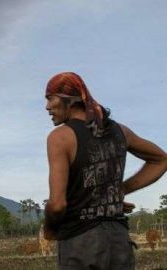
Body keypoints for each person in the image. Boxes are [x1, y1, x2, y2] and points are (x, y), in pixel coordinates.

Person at [42, 72, 167, 269]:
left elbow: (57, 204)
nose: (47, 107)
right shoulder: (120, 131)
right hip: (119, 240)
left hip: (81, 241)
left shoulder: (60, 137)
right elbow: (161, 159)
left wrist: (49, 227)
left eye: (50, 98)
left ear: (70, 99)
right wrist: (119, 190)